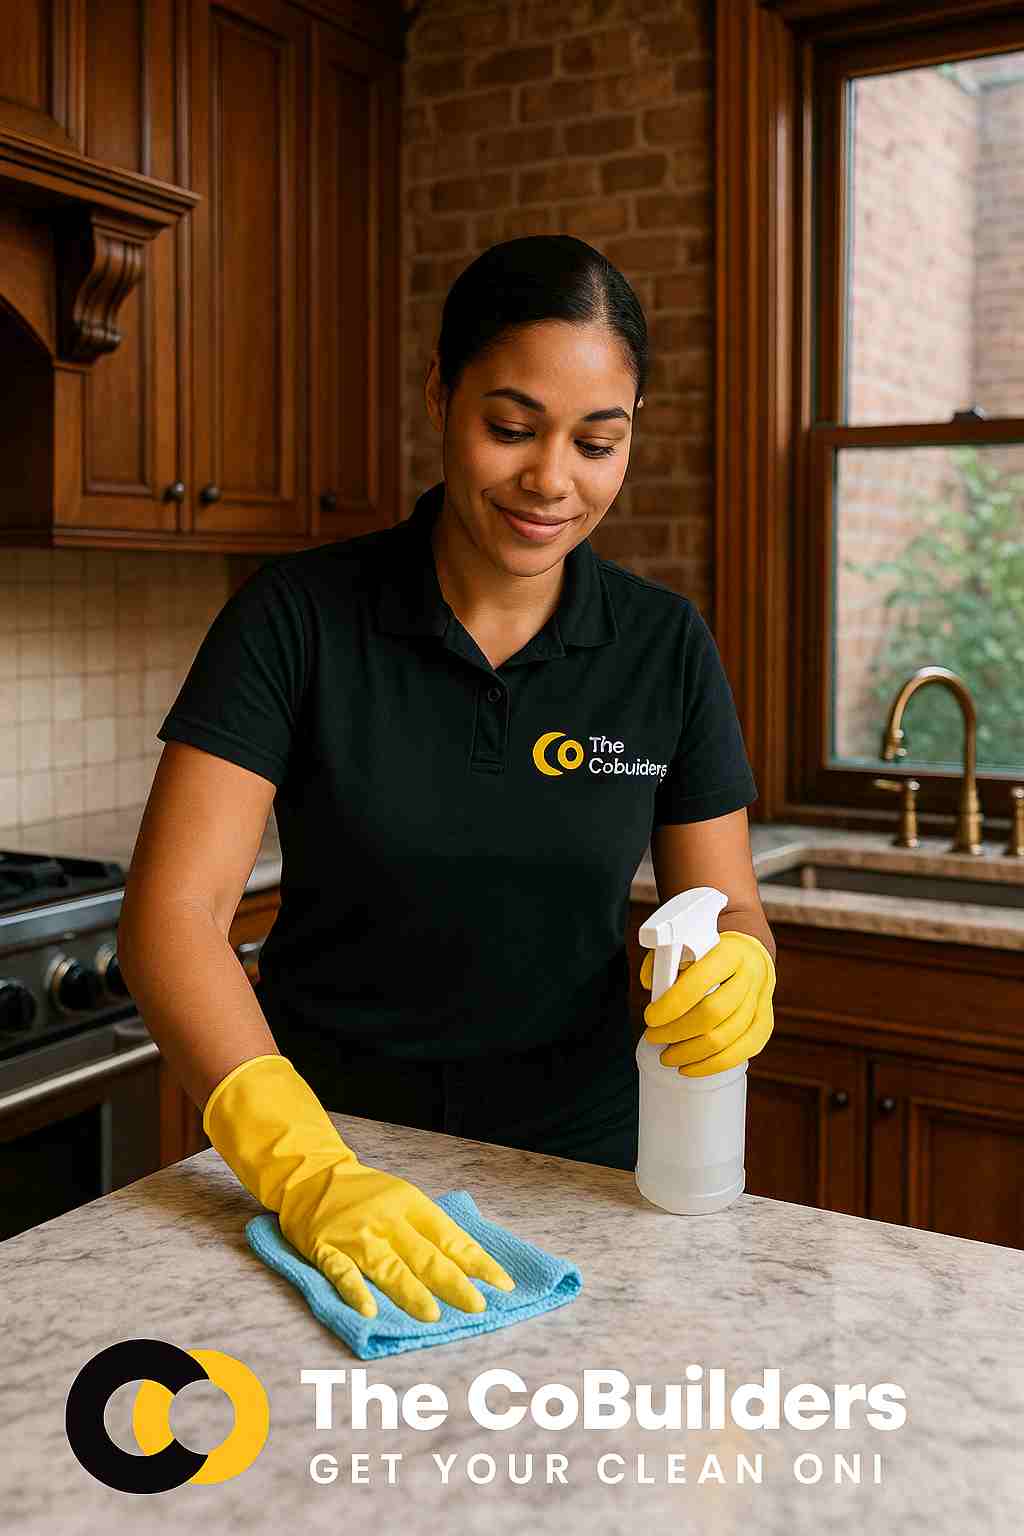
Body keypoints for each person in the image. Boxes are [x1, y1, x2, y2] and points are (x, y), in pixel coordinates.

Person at [117, 235, 777, 1327]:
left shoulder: (664, 648)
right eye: (510, 427)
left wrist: (743, 965)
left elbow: (729, 899)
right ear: (441, 395)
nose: (550, 480)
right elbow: (173, 916)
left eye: (596, 442)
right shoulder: (297, 619)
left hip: (587, 1173)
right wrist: (310, 1172)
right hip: (334, 1160)